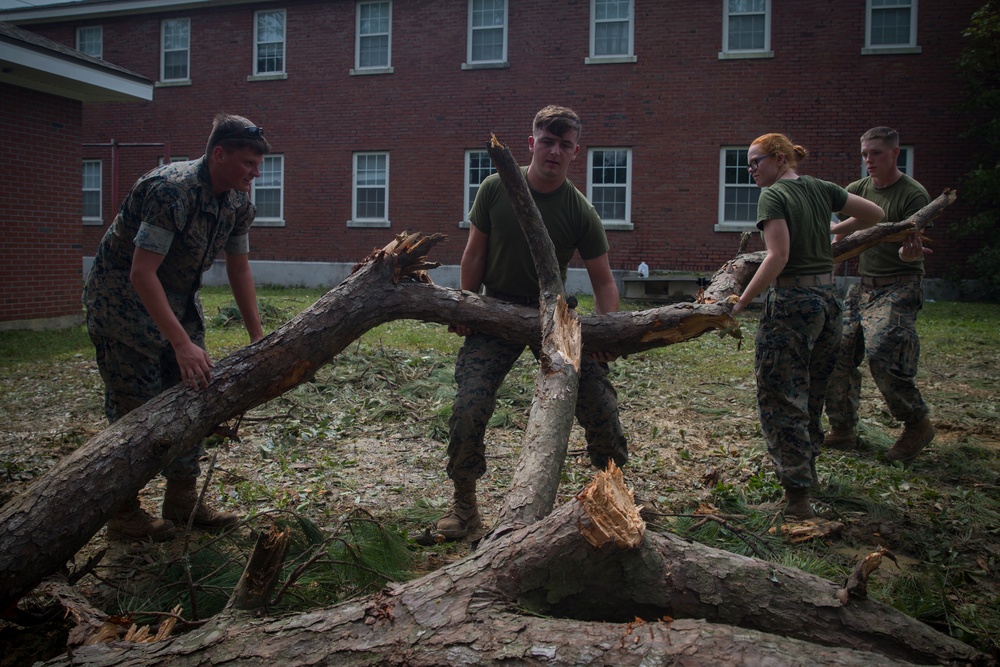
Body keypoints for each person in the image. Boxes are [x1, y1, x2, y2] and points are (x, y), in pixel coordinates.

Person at [436, 105, 627, 540]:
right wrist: (467, 306)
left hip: (553, 312)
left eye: (564, 144)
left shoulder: (580, 210)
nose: (554, 151)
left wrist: (608, 332)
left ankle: (616, 491)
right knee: (469, 404)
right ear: (530, 143)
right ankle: (464, 508)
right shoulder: (494, 187)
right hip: (497, 310)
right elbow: (474, 253)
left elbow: (604, 281)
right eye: (547, 141)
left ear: (575, 152)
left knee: (599, 401)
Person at [83, 113, 269, 541]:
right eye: (247, 163)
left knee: (194, 398)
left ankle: (183, 501)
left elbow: (239, 269)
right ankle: (123, 514)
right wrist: (182, 343)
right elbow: (141, 273)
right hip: (123, 308)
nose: (256, 174)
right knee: (137, 413)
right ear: (218, 154)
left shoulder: (238, 203)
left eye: (259, 165)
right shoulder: (172, 191)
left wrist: (259, 337)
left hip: (178, 302)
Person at [730, 133, 884, 519]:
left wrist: (742, 302)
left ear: (780, 158)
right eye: (748, 163)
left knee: (780, 396)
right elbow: (876, 214)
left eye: (756, 162)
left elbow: (777, 256)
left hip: (793, 305)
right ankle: (806, 478)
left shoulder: (773, 196)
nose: (750, 170)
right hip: (829, 303)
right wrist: (831, 231)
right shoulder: (821, 189)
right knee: (812, 393)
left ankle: (797, 498)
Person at [824, 127, 934, 461]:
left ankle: (917, 425)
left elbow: (909, 249)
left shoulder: (913, 195)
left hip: (901, 284)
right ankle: (842, 429)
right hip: (863, 287)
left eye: (876, 153)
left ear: (895, 153)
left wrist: (907, 255)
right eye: (864, 155)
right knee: (834, 352)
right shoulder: (857, 190)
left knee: (883, 350)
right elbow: (844, 237)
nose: (869, 160)